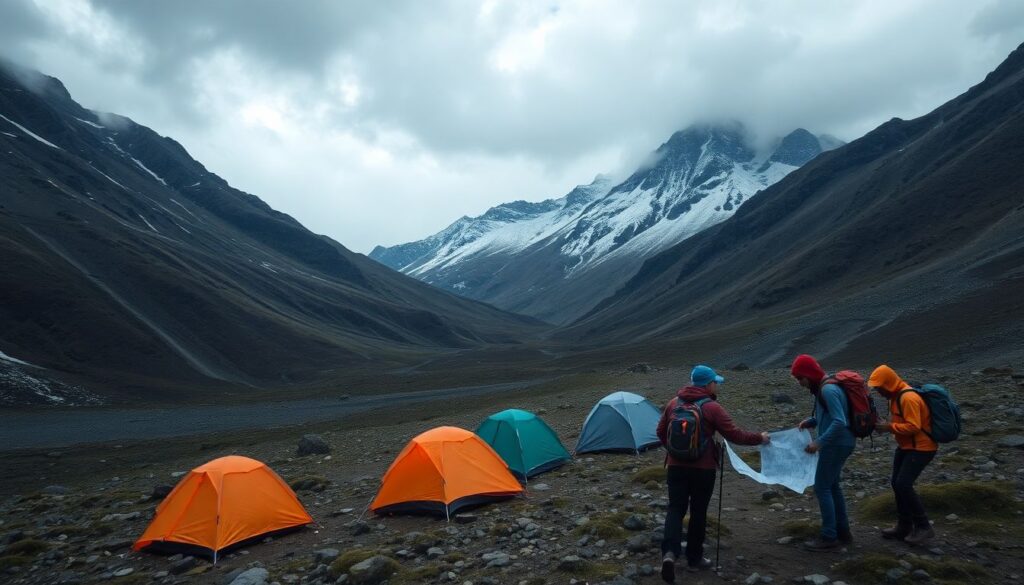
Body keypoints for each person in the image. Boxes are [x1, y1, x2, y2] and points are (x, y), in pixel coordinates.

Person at [657, 364, 769, 583]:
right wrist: (760, 438)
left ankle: (669, 554)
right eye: (715, 382)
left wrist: (674, 451)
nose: (717, 386)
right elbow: (735, 434)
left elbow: (660, 431)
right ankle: (694, 558)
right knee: (698, 512)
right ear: (708, 385)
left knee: (675, 509)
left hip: (675, 467)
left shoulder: (673, 403)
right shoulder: (712, 407)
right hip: (703, 468)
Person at [791, 354, 856, 550]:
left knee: (821, 487)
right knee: (833, 486)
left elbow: (839, 421)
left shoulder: (827, 390)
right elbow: (833, 415)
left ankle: (829, 536)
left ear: (809, 375)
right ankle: (843, 532)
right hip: (841, 443)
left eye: (800, 378)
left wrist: (819, 442)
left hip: (836, 444)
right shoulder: (825, 387)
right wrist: (811, 421)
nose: (800, 383)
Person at [868, 364, 937, 544]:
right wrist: (886, 425)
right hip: (907, 446)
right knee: (896, 483)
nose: (879, 392)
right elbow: (902, 422)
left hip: (921, 448)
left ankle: (924, 526)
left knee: (903, 484)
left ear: (888, 384)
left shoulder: (908, 397)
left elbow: (914, 426)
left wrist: (889, 427)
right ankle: (904, 525)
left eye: (880, 388)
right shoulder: (894, 397)